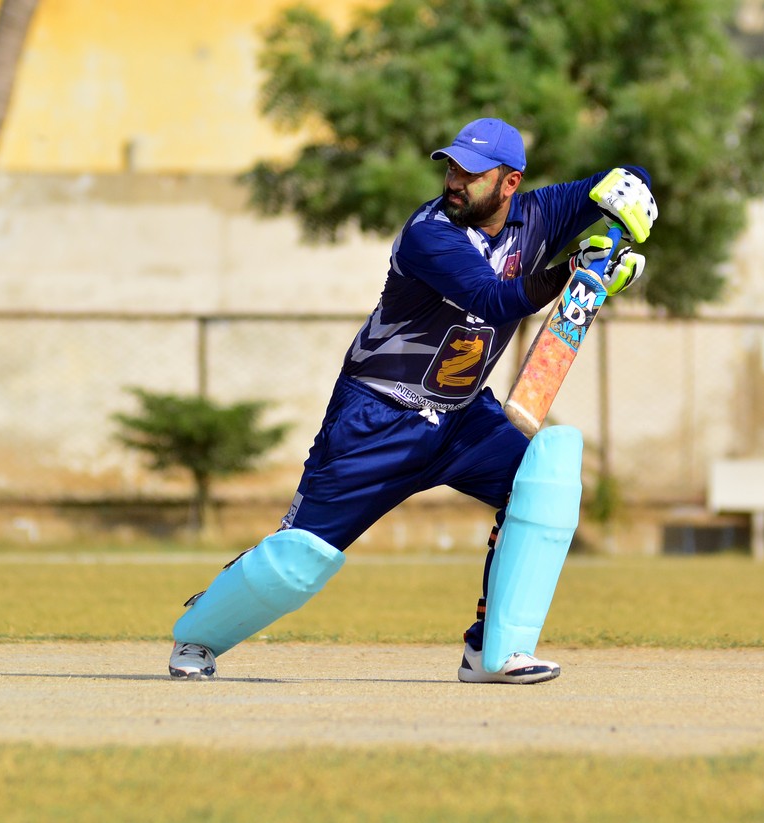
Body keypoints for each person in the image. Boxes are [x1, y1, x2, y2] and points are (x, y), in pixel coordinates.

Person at [168, 117, 657, 683]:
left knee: (541, 487)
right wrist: (576, 272)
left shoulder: (541, 214)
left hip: (463, 419)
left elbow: (619, 183)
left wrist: (626, 208)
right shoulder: (429, 233)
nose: (455, 182)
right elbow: (491, 299)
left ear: (510, 182)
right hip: (377, 418)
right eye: (452, 168)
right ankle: (199, 636)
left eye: (472, 173)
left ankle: (493, 652)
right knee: (300, 556)